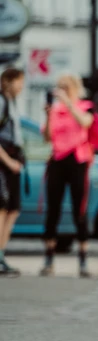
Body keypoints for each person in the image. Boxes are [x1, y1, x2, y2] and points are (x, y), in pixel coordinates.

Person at [40, 72, 97, 277]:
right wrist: (48, 115)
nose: (62, 90)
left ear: (74, 88)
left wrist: (69, 103)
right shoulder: (54, 110)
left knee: (78, 209)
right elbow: (47, 137)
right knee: (52, 208)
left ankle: (82, 260)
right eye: (59, 86)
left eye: (66, 87)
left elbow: (85, 123)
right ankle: (48, 259)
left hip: (77, 161)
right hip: (57, 160)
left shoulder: (85, 106)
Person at [0, 67, 25, 276]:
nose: (22, 86)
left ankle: (1, 254)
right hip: (4, 165)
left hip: (12, 163)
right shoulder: (1, 102)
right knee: (2, 209)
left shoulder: (11, 103)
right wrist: (9, 162)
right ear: (9, 81)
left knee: (12, 210)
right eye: (19, 81)